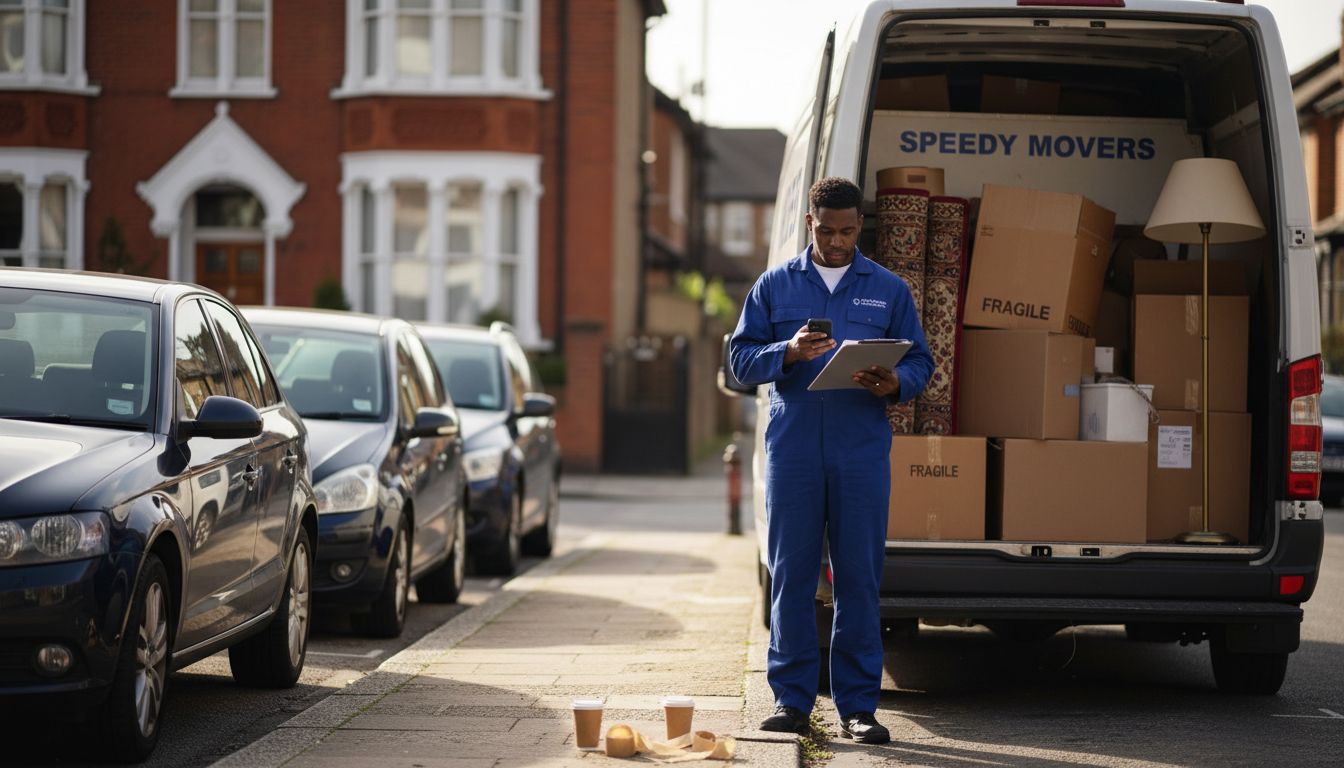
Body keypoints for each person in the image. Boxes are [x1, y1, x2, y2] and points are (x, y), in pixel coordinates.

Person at [729, 177, 933, 745]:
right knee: (791, 575)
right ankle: (791, 701)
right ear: (809, 224)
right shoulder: (774, 286)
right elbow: (740, 360)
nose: (838, 241)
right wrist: (787, 351)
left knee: (858, 579)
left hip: (860, 448)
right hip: (793, 447)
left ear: (858, 225)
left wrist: (894, 381)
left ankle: (859, 707)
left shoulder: (887, 290)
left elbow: (920, 361)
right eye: (828, 230)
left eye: (847, 231)